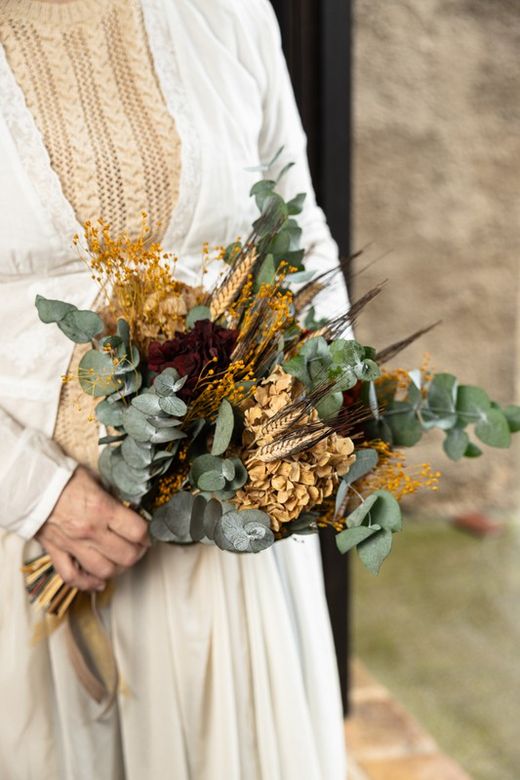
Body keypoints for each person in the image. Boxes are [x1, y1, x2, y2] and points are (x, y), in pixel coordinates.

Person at [0, 1, 349, 778]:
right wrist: (32, 492)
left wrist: (328, 408)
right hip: (32, 538)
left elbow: (298, 230)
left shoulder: (228, 10)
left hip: (229, 543)